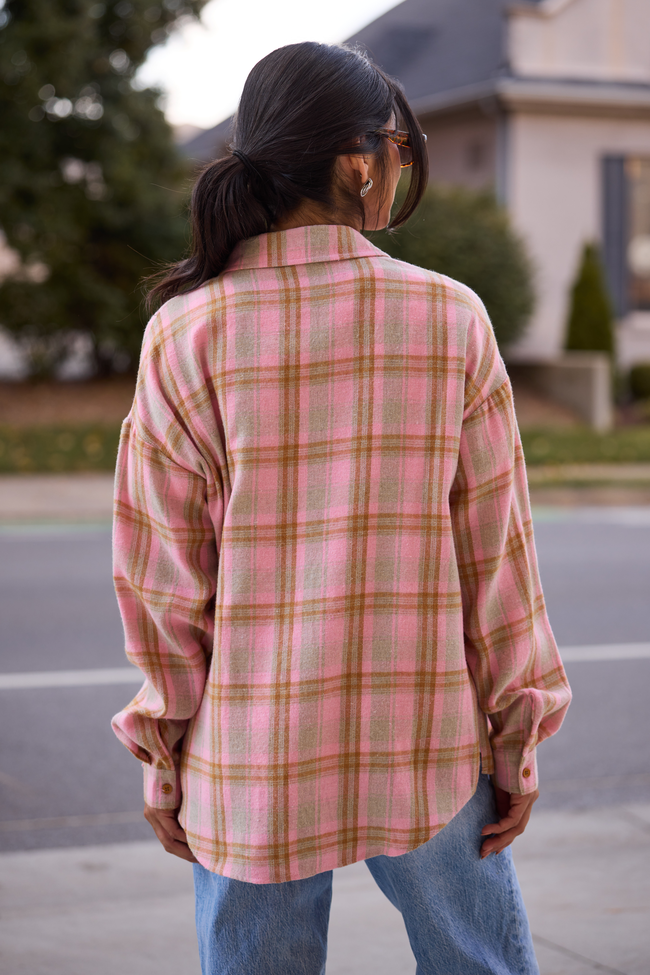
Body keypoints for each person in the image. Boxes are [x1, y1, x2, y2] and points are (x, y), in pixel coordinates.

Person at [111, 41, 571, 975]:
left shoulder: (186, 334)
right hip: (430, 745)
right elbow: (498, 565)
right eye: (400, 151)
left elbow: (161, 582)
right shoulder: (451, 320)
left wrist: (164, 754)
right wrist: (515, 745)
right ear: (360, 161)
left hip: (252, 760)